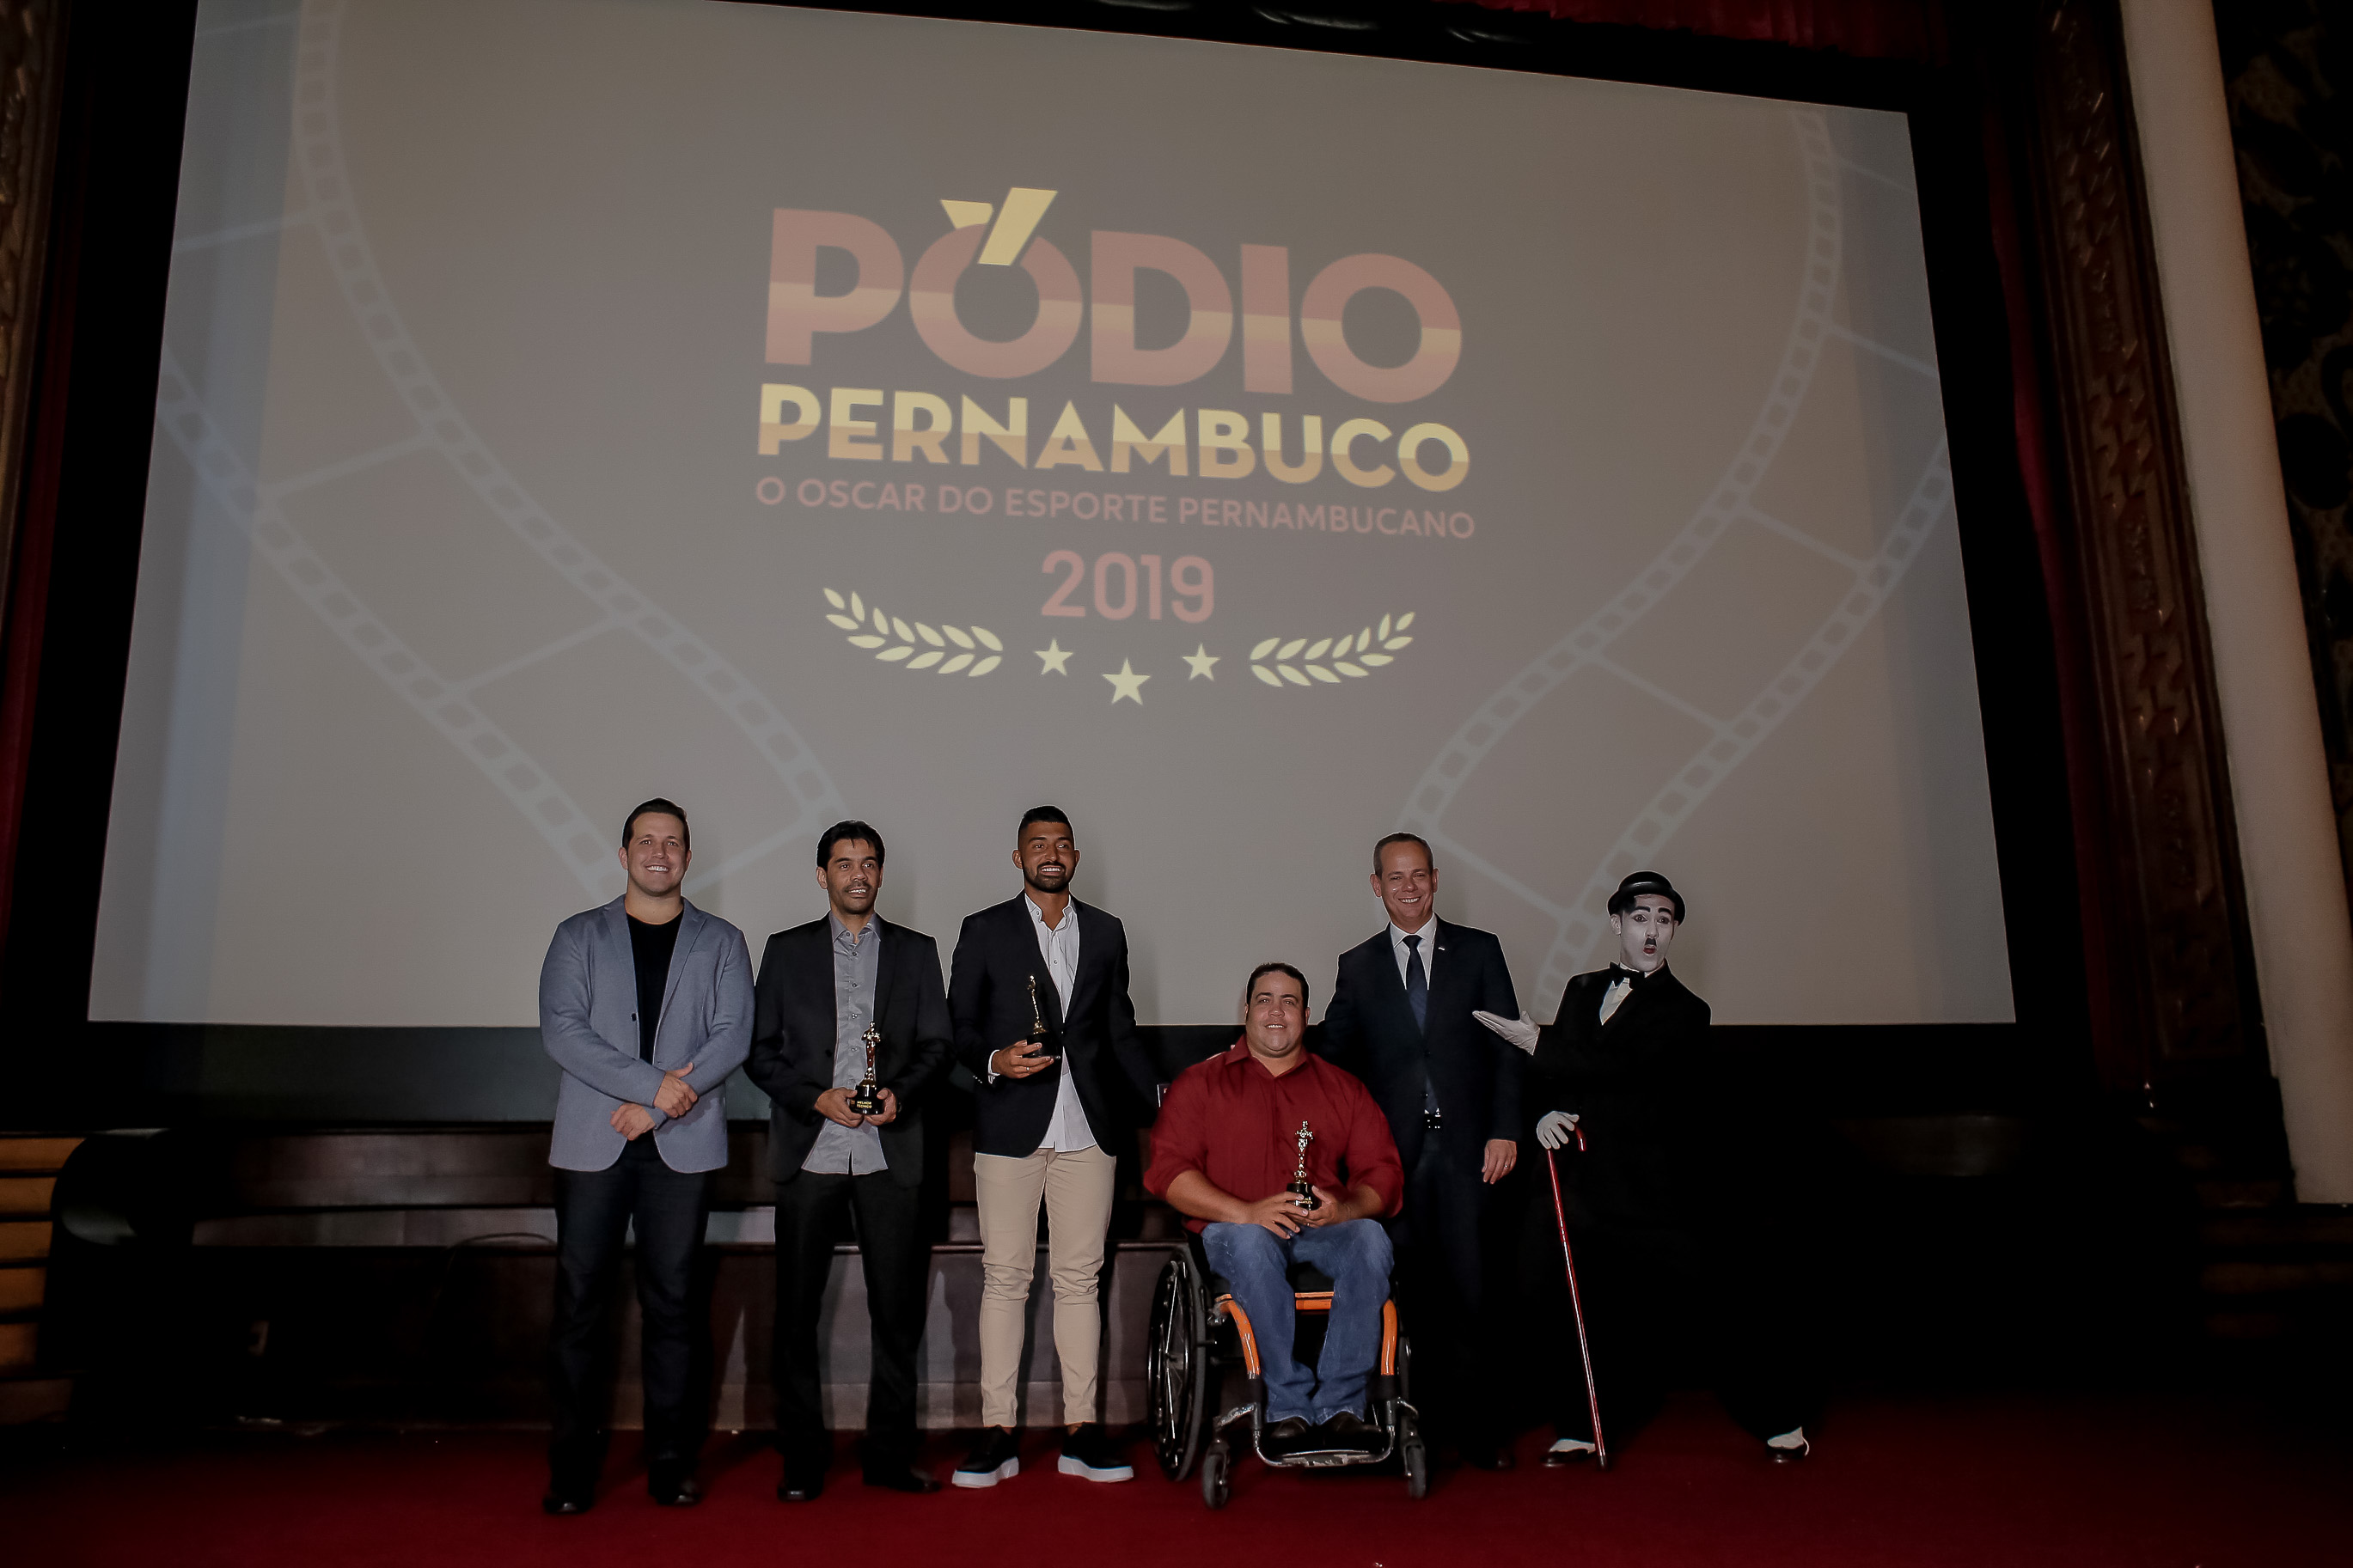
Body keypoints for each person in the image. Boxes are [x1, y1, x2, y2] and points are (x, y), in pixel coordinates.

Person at [1476, 870, 1818, 1465]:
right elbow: (1560, 1077)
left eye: (1663, 918)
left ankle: (1777, 1418)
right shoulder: (1582, 988)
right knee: (1564, 1301)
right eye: (1640, 918)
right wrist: (1544, 1113)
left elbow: (1626, 1070)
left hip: (1650, 1189)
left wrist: (1536, 1041)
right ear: (1617, 923)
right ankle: (1579, 1426)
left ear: (1675, 928)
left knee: (1714, 1301)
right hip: (1576, 1181)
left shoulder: (1687, 1010)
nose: (1651, 930)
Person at [536, 798, 754, 1513]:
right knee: (579, 1307)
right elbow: (563, 1031)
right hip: (591, 1142)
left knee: (675, 1305)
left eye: (673, 842)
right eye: (646, 840)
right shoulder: (577, 935)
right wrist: (651, 1084)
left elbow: (732, 1037)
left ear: (688, 857)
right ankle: (572, 1468)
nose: (660, 852)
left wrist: (657, 1106)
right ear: (624, 853)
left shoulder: (723, 940)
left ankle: (671, 1461)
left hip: (681, 1146)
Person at [945, 806, 1160, 1488]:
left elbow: (1119, 1030)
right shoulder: (983, 929)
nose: (1051, 853)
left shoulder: (1107, 930)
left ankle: (1082, 1430)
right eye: (1037, 843)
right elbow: (957, 1028)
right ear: (1018, 857)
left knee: (1079, 1281)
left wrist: (1164, 1101)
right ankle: (997, 1431)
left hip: (1088, 1130)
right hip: (1009, 1127)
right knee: (1004, 1278)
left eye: (1062, 843)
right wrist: (994, 1060)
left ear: (1075, 856)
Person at [746, 821, 951, 1502]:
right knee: (796, 1316)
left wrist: (900, 1093)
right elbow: (760, 1052)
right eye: (843, 863)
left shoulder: (917, 951)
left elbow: (937, 1047)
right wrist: (817, 1097)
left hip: (891, 1155)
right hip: (812, 1151)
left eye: (868, 863)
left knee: (897, 1315)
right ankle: (802, 1459)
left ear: (881, 874)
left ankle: (889, 1455)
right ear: (822, 875)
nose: (857, 874)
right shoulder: (786, 951)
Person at [1320, 832, 1524, 1468]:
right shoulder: (1357, 965)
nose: (1408, 887)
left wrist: (1506, 1128)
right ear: (1376, 886)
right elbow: (1334, 1056)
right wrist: (1257, 1047)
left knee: (1474, 1290)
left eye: (1419, 875)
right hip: (1393, 1159)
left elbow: (1507, 1046)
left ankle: (1481, 1431)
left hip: (1470, 1150)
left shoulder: (1481, 950)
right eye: (1395, 877)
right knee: (1412, 1296)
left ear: (1435, 879)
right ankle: (1419, 1431)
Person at [1146, 962, 1404, 1450]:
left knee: (1370, 1237)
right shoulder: (1200, 1083)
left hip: (1321, 1228)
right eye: (1265, 1000)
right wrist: (1247, 1213)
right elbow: (1169, 1174)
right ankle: (1288, 1406)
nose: (1276, 1012)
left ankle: (1342, 1407)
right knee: (1251, 1242)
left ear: (1306, 1015)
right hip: (1235, 1229)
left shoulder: (1343, 1088)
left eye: (1289, 1002)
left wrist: (1344, 1211)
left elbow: (1384, 1174)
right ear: (1246, 1010)